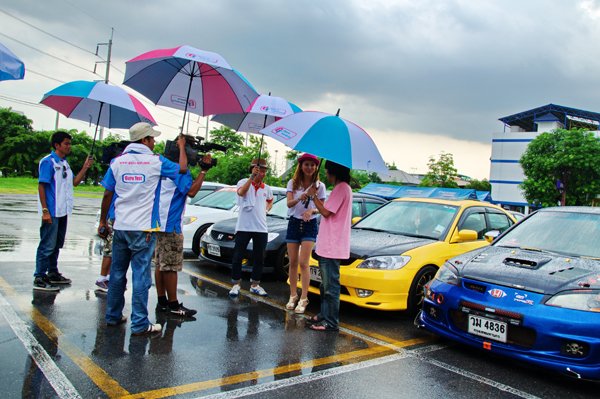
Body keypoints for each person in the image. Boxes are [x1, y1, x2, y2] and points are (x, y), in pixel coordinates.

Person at [98, 122, 187, 336]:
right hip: (144, 229)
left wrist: (103, 221)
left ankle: (113, 315)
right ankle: (139, 323)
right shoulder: (155, 161)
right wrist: (182, 147)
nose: (154, 142)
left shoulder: (117, 162)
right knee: (141, 276)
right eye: (152, 139)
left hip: (121, 226)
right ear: (145, 140)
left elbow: (108, 193)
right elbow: (182, 169)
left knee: (117, 273)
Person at [154, 154, 212, 318]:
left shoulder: (163, 167)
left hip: (160, 223)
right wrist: (203, 171)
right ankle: (173, 305)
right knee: (171, 266)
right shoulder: (179, 171)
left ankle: (162, 301)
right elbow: (192, 191)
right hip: (171, 224)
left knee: (160, 264)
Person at [34, 131, 93, 291]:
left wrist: (85, 168)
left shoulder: (64, 163)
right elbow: (42, 186)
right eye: (66, 143)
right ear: (57, 145)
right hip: (52, 210)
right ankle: (39, 276)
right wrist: (45, 210)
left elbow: (74, 182)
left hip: (63, 211)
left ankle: (52, 272)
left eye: (69, 143)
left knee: (56, 244)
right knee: (47, 244)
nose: (69, 146)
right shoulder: (49, 162)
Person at [305, 160, 353, 331]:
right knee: (325, 286)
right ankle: (324, 315)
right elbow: (328, 210)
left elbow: (326, 212)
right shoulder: (341, 188)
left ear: (334, 172)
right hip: (329, 245)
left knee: (330, 287)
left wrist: (313, 196)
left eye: (327, 171)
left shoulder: (342, 188)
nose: (326, 174)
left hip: (332, 246)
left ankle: (330, 322)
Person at [285, 153, 326, 314]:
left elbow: (321, 208)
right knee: (293, 262)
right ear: (301, 166)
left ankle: (304, 298)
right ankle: (293, 295)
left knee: (304, 262)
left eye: (312, 165)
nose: (309, 168)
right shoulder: (293, 183)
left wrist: (312, 210)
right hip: (294, 223)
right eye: (306, 164)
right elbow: (289, 204)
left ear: (316, 167)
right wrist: (300, 197)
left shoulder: (319, 185)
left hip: (309, 225)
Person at [228, 158, 274, 297]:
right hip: (244, 226)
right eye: (260, 170)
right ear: (253, 169)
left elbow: (270, 201)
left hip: (260, 227)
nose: (262, 173)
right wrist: (251, 178)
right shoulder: (243, 182)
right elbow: (242, 192)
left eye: (264, 170)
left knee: (259, 257)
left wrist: (266, 209)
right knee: (238, 256)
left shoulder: (267, 188)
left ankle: (255, 284)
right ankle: (236, 284)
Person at [95, 197, 115, 292]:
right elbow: (107, 196)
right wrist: (103, 221)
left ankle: (108, 278)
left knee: (114, 251)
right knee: (109, 250)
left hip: (117, 218)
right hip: (113, 218)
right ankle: (102, 278)